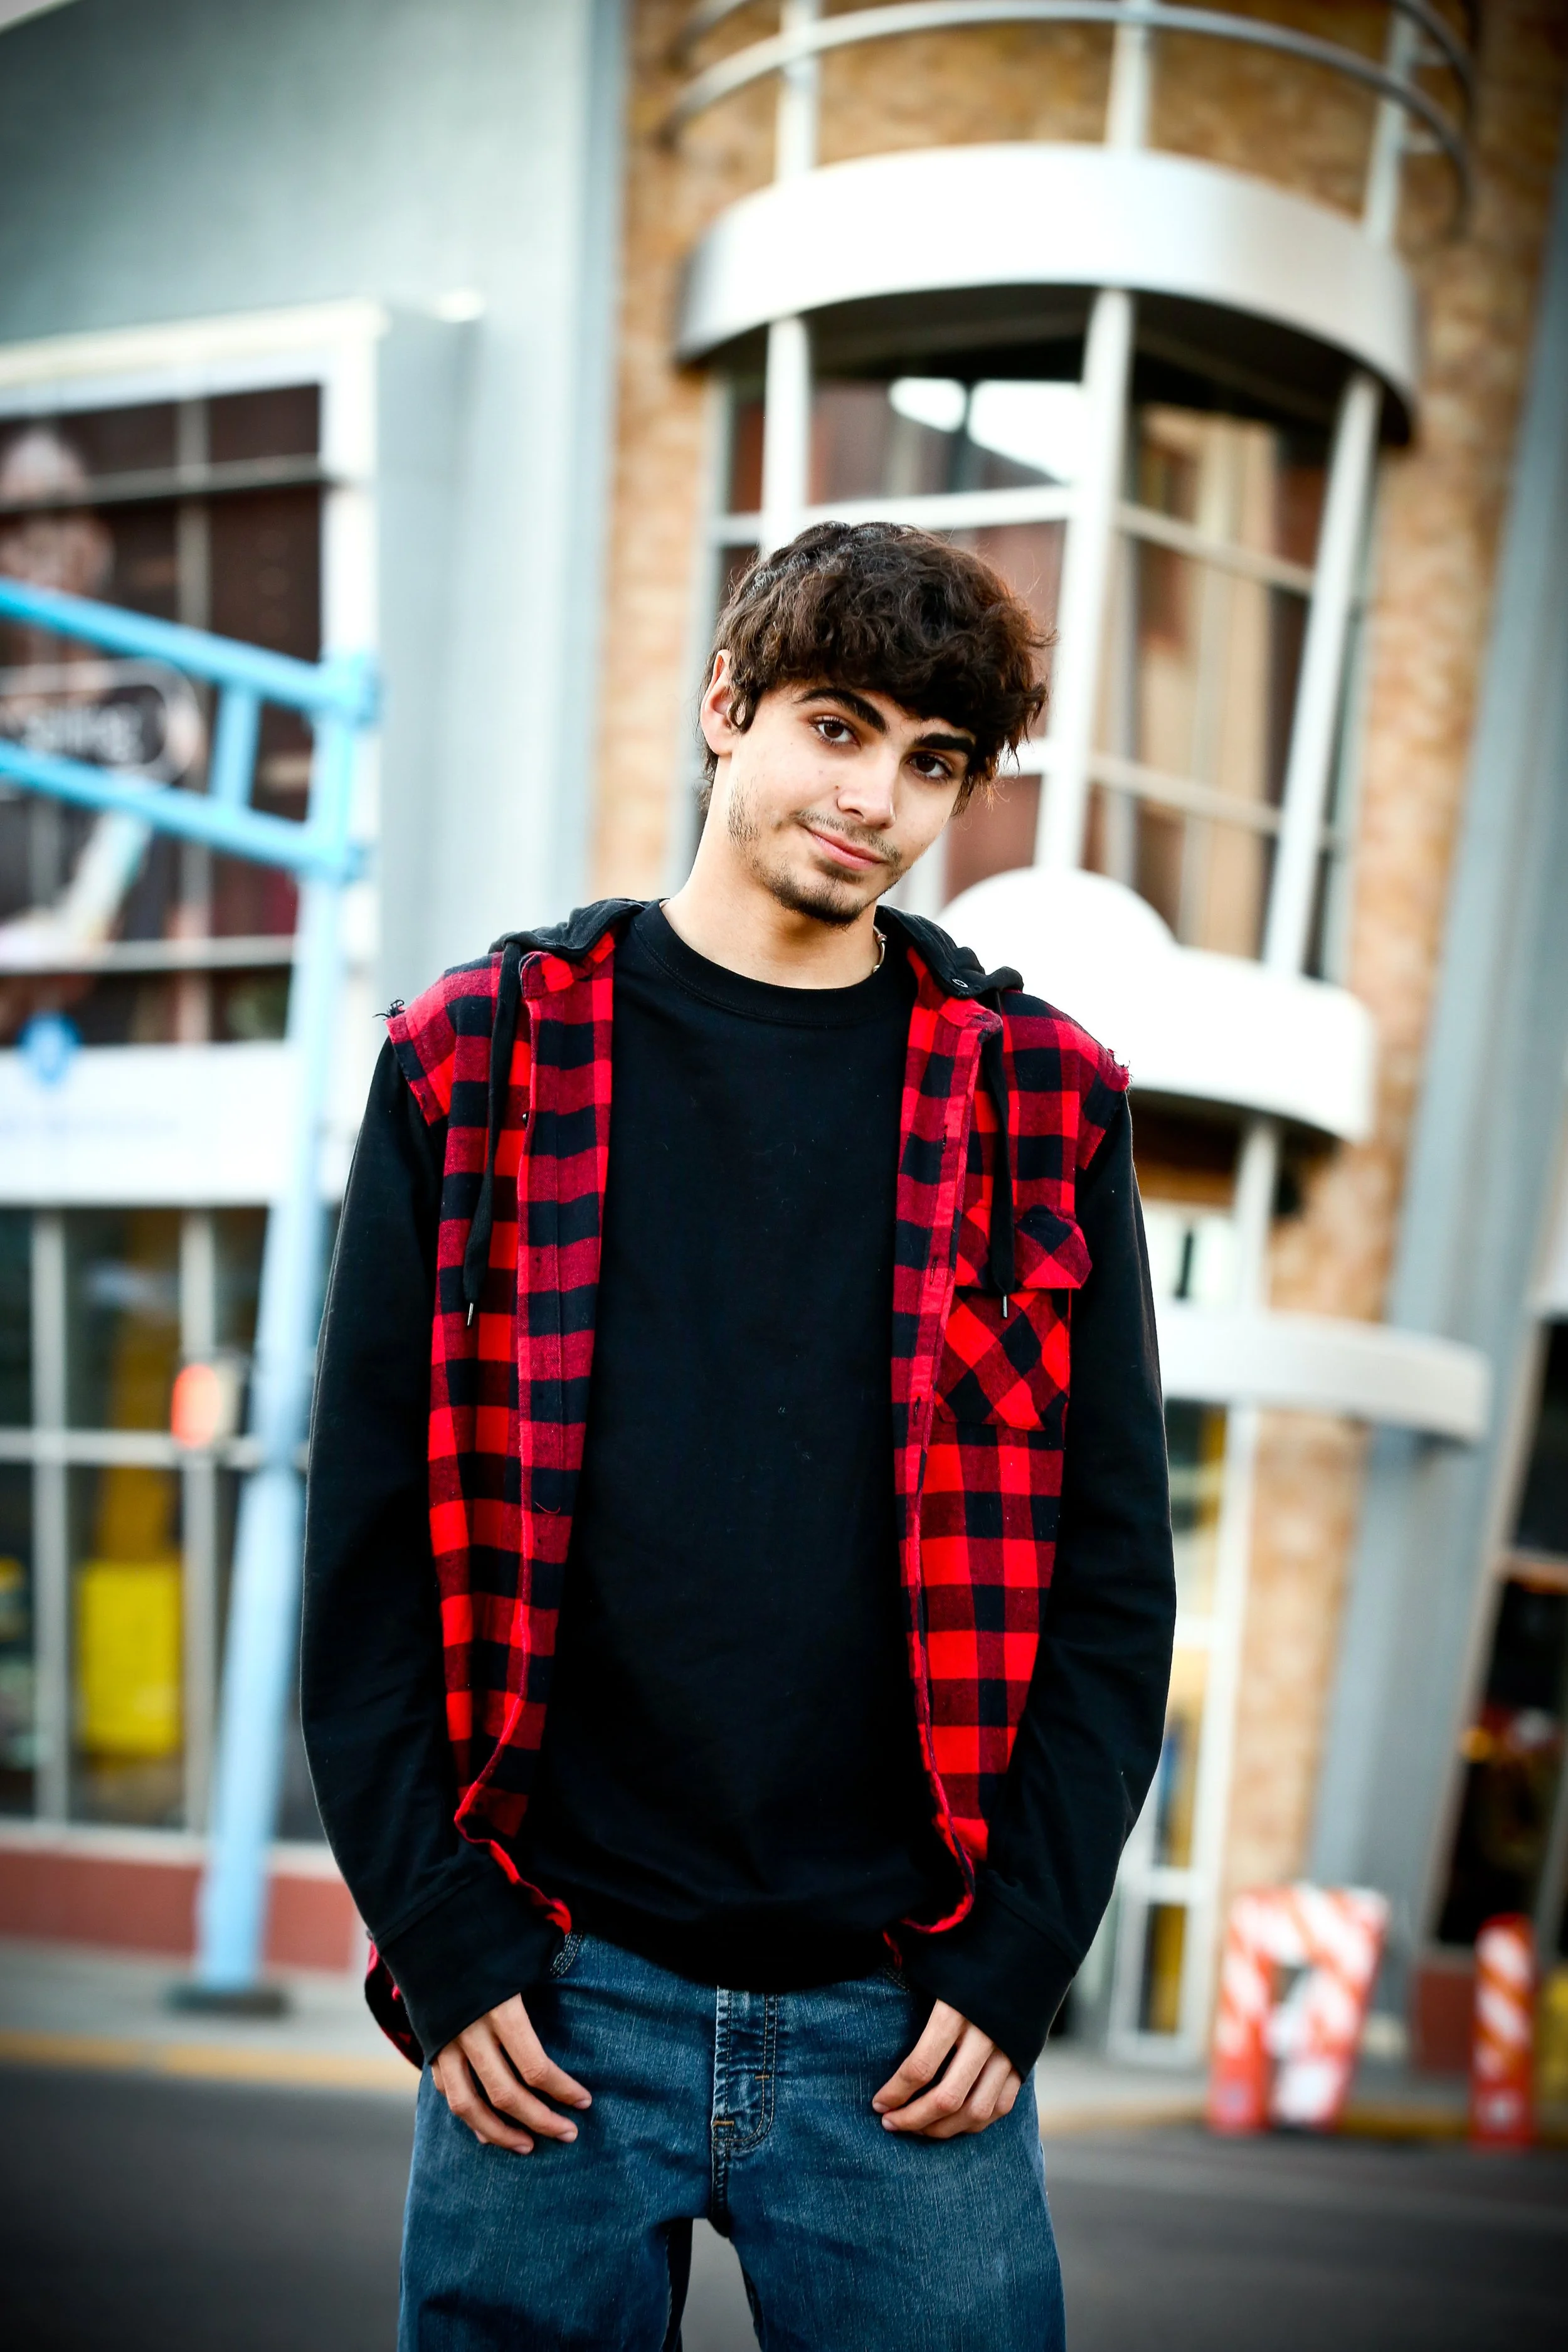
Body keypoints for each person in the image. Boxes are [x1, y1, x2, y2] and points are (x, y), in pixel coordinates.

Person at [302, 521, 1175, 2351]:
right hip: (553, 1995)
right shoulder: (476, 1062)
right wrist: (441, 1934)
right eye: (836, 727)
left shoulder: (1042, 1103)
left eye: (931, 761)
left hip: (900, 2021)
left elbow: (1111, 1583)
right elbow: (367, 1555)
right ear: (726, 705)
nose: (874, 797)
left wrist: (1020, 1949)